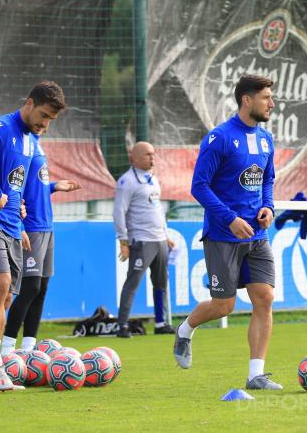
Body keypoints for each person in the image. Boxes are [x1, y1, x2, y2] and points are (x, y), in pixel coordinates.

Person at [174, 74, 281, 390]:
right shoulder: (219, 138)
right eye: (266, 98)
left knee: (265, 297)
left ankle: (255, 375)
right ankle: (185, 330)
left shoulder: (265, 140)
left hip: (257, 236)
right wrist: (230, 218)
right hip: (223, 235)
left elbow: (267, 180)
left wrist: (268, 207)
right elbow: (199, 186)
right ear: (247, 100)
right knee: (225, 305)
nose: (271, 104)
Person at [0, 81, 66, 391]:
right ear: (30, 103)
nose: (45, 124)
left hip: (10, 226)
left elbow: (16, 185)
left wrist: (18, 216)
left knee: (4, 297)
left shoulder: (32, 141)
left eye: (51, 120)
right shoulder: (1, 128)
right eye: (43, 116)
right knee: (1, 285)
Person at [0, 139, 81, 355]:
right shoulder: (18, 145)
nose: (44, 125)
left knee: (41, 289)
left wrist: (53, 187)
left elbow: (34, 187)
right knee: (30, 288)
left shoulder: (36, 145)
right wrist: (20, 226)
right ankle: (7, 348)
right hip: (32, 228)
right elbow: (13, 189)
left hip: (47, 226)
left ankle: (28, 349)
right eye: (43, 118)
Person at [113, 141, 175, 338]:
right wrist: (123, 241)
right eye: (148, 154)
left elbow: (157, 210)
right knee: (133, 282)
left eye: (153, 154)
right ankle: (122, 325)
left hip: (159, 241)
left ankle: (160, 322)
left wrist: (166, 235)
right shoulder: (127, 181)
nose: (152, 158)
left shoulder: (152, 179)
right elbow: (118, 212)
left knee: (160, 283)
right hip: (141, 240)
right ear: (136, 157)